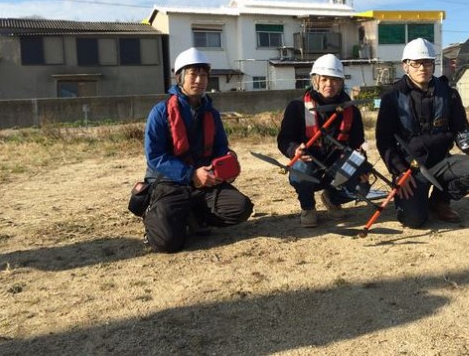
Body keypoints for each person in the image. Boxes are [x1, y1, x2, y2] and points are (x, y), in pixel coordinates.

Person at [142, 47, 253, 252]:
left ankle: (192, 217)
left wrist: (227, 159)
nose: (199, 80)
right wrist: (190, 174)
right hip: (170, 182)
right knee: (167, 242)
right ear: (180, 78)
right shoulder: (160, 112)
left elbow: (220, 146)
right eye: (193, 74)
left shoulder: (211, 113)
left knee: (241, 207)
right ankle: (155, 214)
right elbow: (155, 156)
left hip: (205, 180)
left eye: (203, 75)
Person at [375, 37, 469, 228]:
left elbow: (461, 130)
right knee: (413, 220)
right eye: (416, 63)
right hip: (410, 170)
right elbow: (384, 141)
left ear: (433, 65)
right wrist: (398, 171)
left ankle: (440, 201)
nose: (423, 68)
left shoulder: (449, 93)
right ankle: (415, 202)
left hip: (442, 163)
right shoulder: (392, 97)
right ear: (405, 66)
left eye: (428, 62)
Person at [277, 54, 369, 227]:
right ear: (315, 80)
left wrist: (362, 166)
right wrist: (294, 150)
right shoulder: (297, 107)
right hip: (309, 165)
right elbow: (284, 139)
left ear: (341, 82)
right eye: (324, 79)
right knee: (300, 166)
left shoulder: (351, 111)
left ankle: (332, 198)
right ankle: (308, 207)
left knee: (362, 187)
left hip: (337, 167)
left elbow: (359, 144)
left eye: (335, 80)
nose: (329, 84)